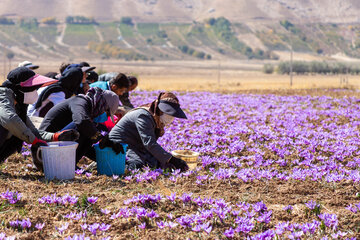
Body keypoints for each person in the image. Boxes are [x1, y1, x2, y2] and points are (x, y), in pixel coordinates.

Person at [0, 67, 79, 164]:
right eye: (32, 88)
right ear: (20, 88)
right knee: (10, 128)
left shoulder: (18, 106)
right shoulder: (3, 97)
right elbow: (10, 119)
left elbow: (30, 130)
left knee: (19, 131)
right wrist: (34, 140)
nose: (35, 91)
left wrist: (54, 136)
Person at [101, 92, 189, 171]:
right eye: (169, 114)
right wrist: (172, 159)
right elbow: (149, 143)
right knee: (137, 164)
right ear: (161, 110)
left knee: (159, 163)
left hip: (135, 145)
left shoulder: (156, 118)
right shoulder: (143, 116)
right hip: (119, 145)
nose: (171, 118)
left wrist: (168, 159)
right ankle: (113, 166)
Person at [39, 87, 119, 168]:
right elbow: (81, 122)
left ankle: (70, 164)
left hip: (55, 146)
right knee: (88, 127)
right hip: (45, 148)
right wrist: (101, 139)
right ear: (102, 104)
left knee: (92, 129)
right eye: (107, 113)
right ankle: (66, 163)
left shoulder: (88, 110)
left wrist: (106, 159)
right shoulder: (80, 102)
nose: (106, 117)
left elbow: (86, 147)